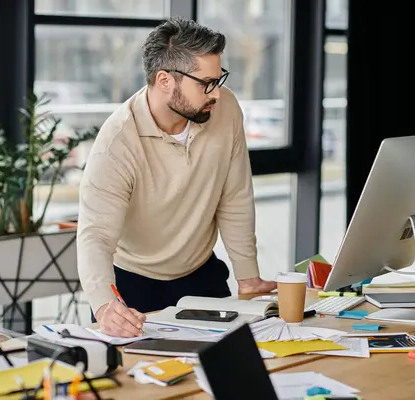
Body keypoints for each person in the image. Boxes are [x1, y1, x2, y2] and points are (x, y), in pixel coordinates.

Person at [77, 16, 276, 338]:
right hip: (133, 284)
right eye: (205, 83)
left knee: (233, 367)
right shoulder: (117, 143)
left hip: (201, 273)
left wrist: (248, 277)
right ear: (165, 80)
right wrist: (103, 305)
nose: (216, 93)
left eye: (218, 79)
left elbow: (235, 197)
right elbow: (95, 235)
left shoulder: (224, 110)